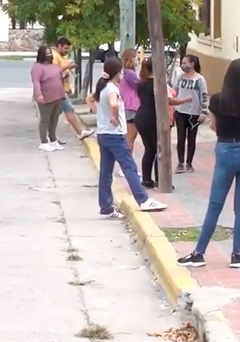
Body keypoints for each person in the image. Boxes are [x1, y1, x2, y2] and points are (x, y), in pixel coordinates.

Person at [177, 58, 240, 269]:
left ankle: (199, 253)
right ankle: (237, 255)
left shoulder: (217, 101)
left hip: (225, 151)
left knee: (215, 205)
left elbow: (213, 127)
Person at [86, 57, 168, 219]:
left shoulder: (103, 87)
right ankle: (143, 200)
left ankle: (106, 207)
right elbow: (114, 104)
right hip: (114, 135)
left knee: (106, 172)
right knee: (129, 167)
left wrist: (99, 113)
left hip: (103, 134)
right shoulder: (112, 89)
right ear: (119, 72)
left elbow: (89, 99)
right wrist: (114, 117)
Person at [135, 58, 191, 188]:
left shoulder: (141, 83)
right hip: (152, 118)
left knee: (150, 149)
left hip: (141, 117)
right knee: (159, 148)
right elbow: (168, 100)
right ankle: (161, 180)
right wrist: (184, 100)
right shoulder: (158, 84)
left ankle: (147, 179)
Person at [170, 54, 209, 173]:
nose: (182, 65)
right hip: (181, 111)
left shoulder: (199, 79)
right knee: (180, 138)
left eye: (185, 63)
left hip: (194, 113)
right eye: (182, 63)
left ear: (192, 64)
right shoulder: (180, 77)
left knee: (191, 138)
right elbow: (174, 91)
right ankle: (180, 162)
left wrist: (203, 112)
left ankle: (189, 163)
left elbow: (203, 95)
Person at [51, 38, 95, 142]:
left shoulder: (61, 57)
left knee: (55, 115)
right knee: (69, 110)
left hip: (62, 89)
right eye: (65, 48)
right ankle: (80, 132)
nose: (67, 51)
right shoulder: (54, 57)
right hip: (58, 89)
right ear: (59, 46)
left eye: (68, 49)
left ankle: (51, 138)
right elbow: (52, 72)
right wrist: (67, 66)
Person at [31, 45, 66, 152]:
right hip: (45, 98)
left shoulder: (54, 66)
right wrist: (39, 94)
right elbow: (36, 82)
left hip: (57, 96)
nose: (48, 55)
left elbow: (59, 79)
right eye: (46, 53)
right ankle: (43, 142)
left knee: (54, 120)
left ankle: (53, 140)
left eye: (49, 52)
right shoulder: (37, 67)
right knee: (45, 120)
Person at [119, 49, 141, 151]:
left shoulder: (126, 72)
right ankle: (127, 163)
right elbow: (139, 86)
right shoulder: (130, 74)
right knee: (130, 138)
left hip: (128, 106)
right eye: (136, 57)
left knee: (129, 138)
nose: (138, 59)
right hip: (131, 107)